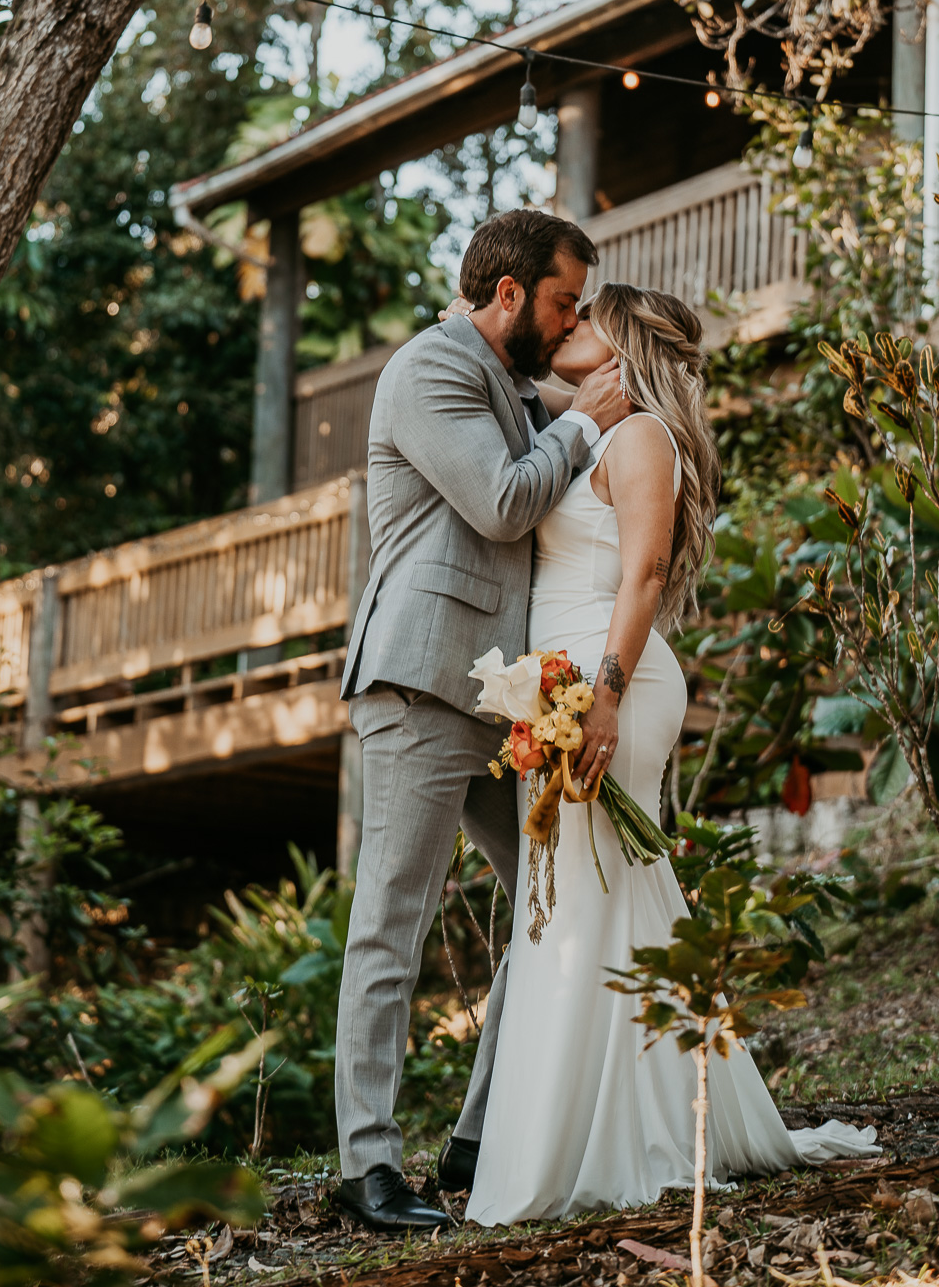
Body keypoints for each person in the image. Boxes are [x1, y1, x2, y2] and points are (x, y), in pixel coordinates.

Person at [465, 283, 879, 1226]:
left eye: (587, 318)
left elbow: (644, 572)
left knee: (581, 896)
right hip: (563, 682)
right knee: (582, 897)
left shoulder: (643, 435)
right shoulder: (587, 430)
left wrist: (601, 696)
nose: (568, 327)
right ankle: (620, 1122)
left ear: (622, 343)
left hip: (613, 688)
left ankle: (612, 1139)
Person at [334, 209, 631, 1233]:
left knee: (544, 906)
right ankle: (367, 1165)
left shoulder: (511, 382)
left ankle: (477, 1133)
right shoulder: (431, 372)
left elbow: (596, 410)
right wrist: (587, 421)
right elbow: (506, 503)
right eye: (562, 302)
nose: (570, 320)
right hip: (422, 684)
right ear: (509, 295)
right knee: (391, 925)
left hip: (501, 700)